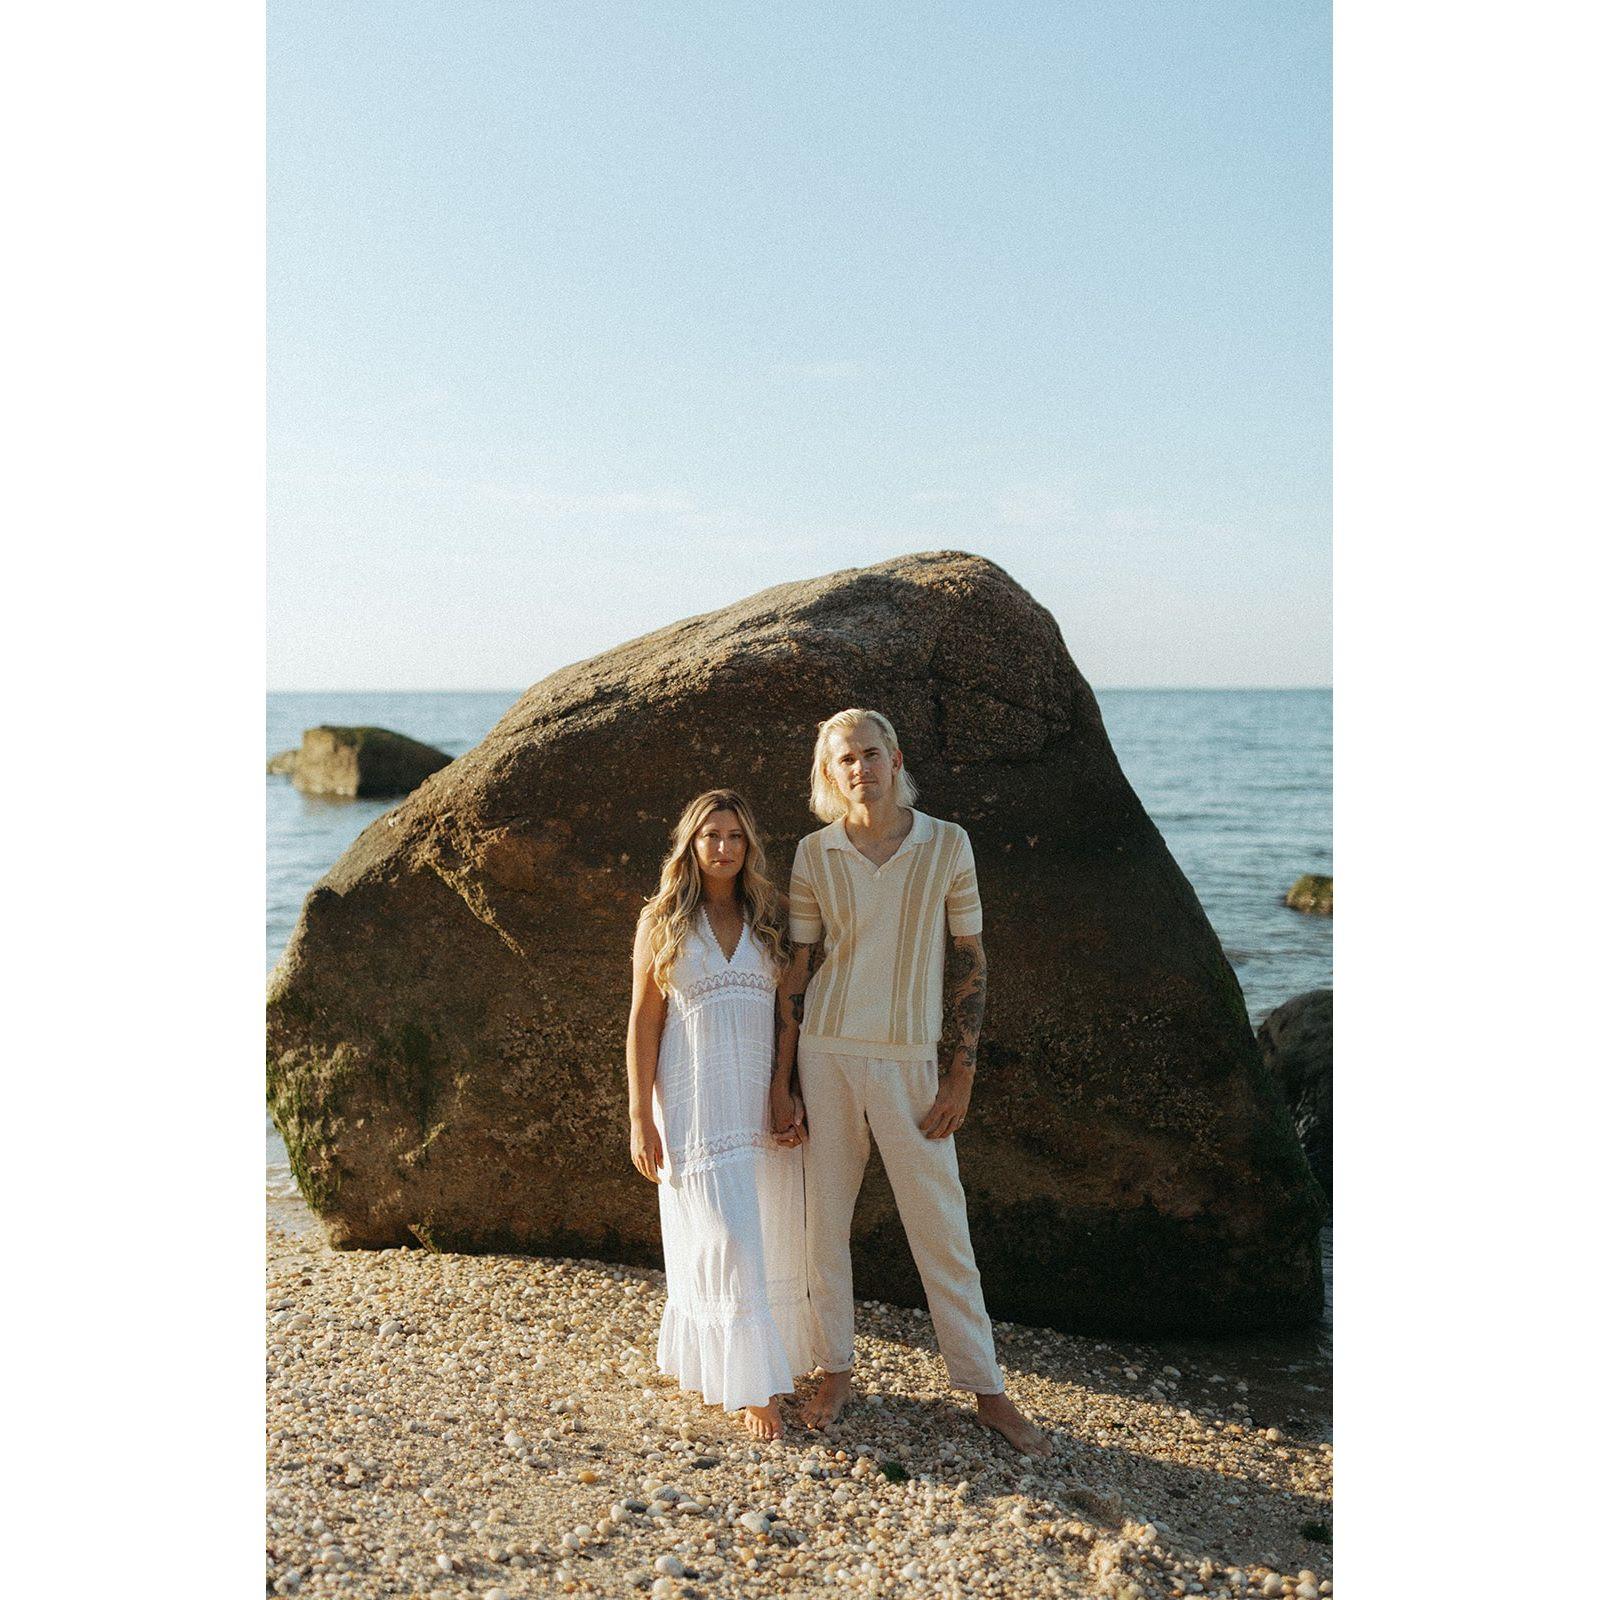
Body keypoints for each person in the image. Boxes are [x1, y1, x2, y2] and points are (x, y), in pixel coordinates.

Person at [771, 709, 1050, 1455]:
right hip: (826, 1054)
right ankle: (835, 1370)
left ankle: (987, 1390)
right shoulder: (814, 853)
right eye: (844, 759)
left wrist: (961, 1071)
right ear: (829, 774)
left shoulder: (947, 843)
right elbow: (799, 968)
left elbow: (970, 959)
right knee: (824, 1224)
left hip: (911, 1061)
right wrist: (781, 1080)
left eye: (870, 754)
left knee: (942, 1226)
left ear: (895, 760)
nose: (859, 768)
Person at [626, 788, 813, 1440]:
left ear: (748, 845)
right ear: (691, 844)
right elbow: (643, 1023)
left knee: (763, 1232)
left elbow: (789, 1015)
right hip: (691, 1104)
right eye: (712, 836)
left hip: (754, 1100)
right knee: (723, 1235)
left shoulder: (770, 915)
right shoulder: (661, 921)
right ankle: (752, 1384)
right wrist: (639, 1117)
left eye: (735, 836)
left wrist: (785, 1090)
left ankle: (755, 1365)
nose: (724, 848)